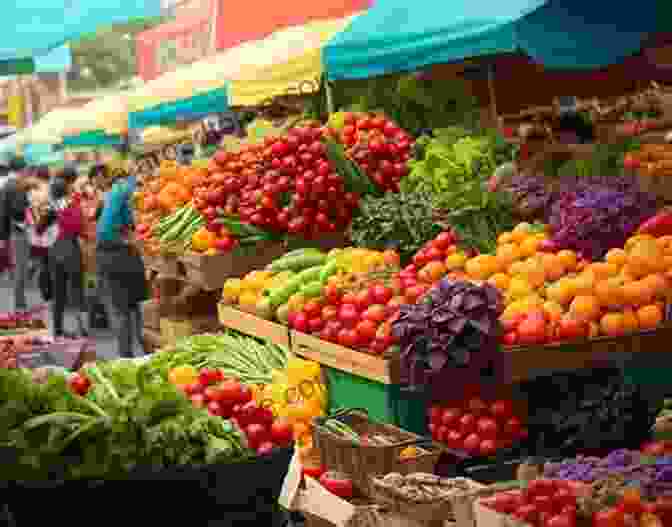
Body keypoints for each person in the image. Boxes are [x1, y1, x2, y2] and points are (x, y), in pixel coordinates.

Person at [95, 164, 147, 358]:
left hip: (112, 254)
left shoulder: (115, 192)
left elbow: (122, 226)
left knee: (122, 309)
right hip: (120, 254)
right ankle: (140, 353)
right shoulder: (127, 189)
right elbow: (125, 226)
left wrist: (130, 236)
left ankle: (127, 356)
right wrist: (130, 239)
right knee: (132, 308)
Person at [41, 167, 87, 338]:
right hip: (70, 248)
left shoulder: (50, 207)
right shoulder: (71, 204)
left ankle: (58, 329)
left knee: (58, 292)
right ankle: (81, 327)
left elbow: (39, 229)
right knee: (76, 290)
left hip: (54, 250)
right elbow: (78, 227)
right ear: (66, 190)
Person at [0, 157, 40, 311]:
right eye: (25, 169)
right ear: (21, 169)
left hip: (12, 231)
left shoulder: (8, 185)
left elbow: (3, 213)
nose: (27, 172)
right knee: (20, 269)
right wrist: (29, 218)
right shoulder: (16, 186)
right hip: (18, 231)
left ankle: (20, 303)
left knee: (18, 267)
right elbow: (18, 212)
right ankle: (20, 305)